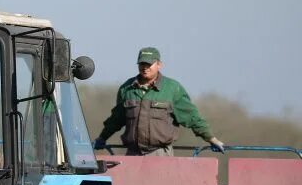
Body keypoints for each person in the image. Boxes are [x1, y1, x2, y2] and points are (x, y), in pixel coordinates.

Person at [93, 47, 225, 156]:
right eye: (142, 64)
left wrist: (211, 139)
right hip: (133, 154)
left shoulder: (172, 89)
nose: (145, 68)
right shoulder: (126, 89)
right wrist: (102, 138)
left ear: (159, 65)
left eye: (149, 64)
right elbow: (116, 120)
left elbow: (192, 118)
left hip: (161, 154)